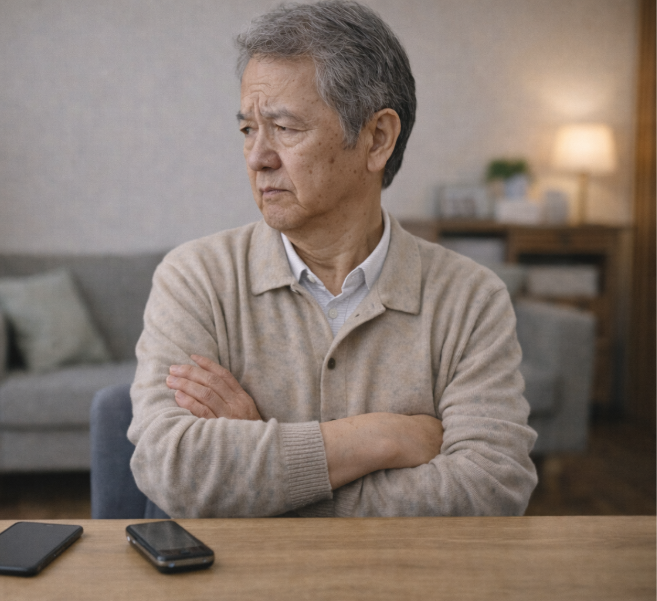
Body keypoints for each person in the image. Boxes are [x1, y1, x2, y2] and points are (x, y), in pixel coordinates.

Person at [128, 0, 538, 518]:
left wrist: (264, 471)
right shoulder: (194, 279)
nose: (257, 157)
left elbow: (492, 490)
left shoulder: (470, 299)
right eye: (248, 130)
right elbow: (171, 469)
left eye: (285, 128)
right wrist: (378, 439)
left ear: (377, 139)